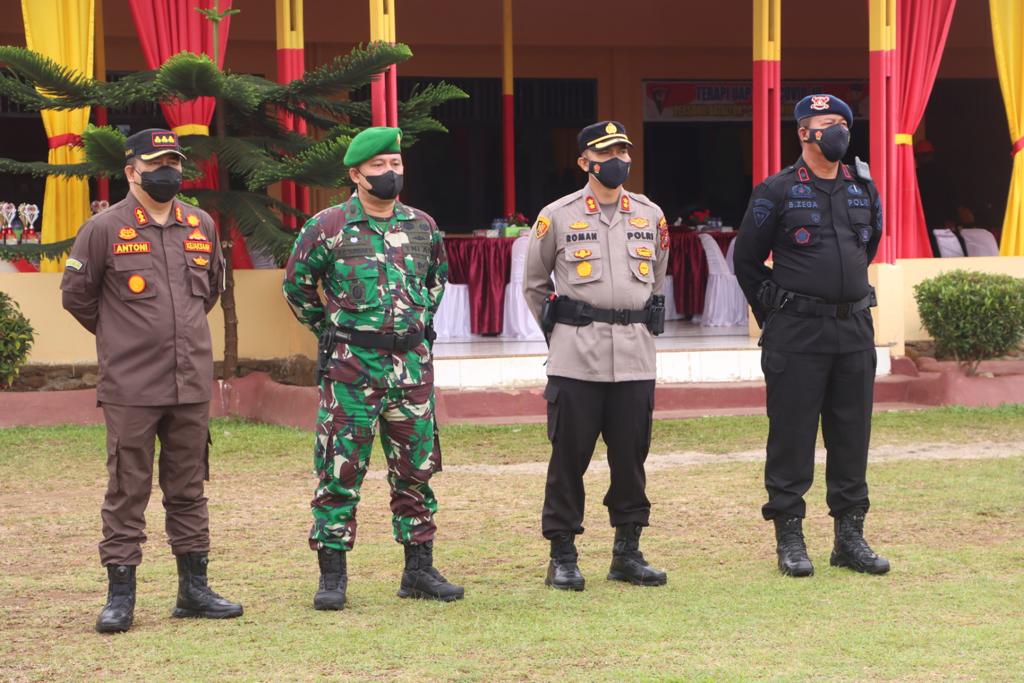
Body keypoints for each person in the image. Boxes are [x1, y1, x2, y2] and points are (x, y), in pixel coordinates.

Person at [61, 128, 242, 633]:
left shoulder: (199, 224)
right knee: (127, 489)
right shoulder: (104, 228)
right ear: (131, 171)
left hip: (190, 383)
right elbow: (77, 297)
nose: (168, 172)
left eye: (175, 163)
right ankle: (121, 597)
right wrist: (124, 335)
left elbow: (206, 294)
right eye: (157, 162)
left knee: (188, 488)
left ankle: (194, 589)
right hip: (132, 386)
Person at [282, 126, 463, 609]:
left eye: (396, 164)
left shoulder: (423, 225)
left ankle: (419, 571)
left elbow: (436, 279)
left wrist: (417, 320)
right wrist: (332, 331)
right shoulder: (328, 226)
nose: (390, 173)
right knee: (340, 471)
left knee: (416, 472)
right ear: (356, 173)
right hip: (351, 372)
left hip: (410, 372)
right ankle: (333, 577)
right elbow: (297, 287)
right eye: (379, 166)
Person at [733, 95, 891, 578]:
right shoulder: (775, 191)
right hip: (796, 334)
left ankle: (849, 538)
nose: (839, 132)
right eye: (827, 125)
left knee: (851, 436)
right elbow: (746, 261)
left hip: (854, 331)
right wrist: (777, 312)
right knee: (792, 437)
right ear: (803, 133)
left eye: (843, 123)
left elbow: (870, 245)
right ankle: (790, 539)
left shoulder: (863, 187)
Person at [523, 121, 669, 591]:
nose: (618, 161)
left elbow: (656, 279)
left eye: (623, 151)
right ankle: (562, 554)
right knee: (569, 458)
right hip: (576, 357)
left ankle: (627, 551)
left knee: (631, 458)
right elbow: (534, 284)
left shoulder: (650, 216)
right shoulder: (557, 216)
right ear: (585, 161)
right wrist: (563, 333)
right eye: (607, 153)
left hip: (634, 358)